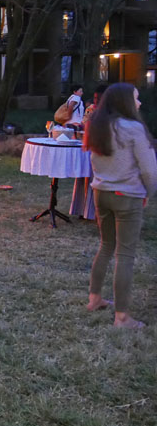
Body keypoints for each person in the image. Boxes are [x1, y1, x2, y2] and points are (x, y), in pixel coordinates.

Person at [84, 83, 157, 328]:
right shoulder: (134, 128)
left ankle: (94, 299)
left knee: (106, 246)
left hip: (101, 193)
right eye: (136, 98)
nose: (139, 103)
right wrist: (149, 192)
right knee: (125, 254)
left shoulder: (98, 125)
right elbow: (149, 169)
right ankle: (122, 317)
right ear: (125, 102)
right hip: (127, 196)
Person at [70, 83, 108, 220]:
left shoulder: (111, 114)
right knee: (84, 177)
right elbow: (84, 123)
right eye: (95, 98)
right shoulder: (91, 109)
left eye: (100, 98)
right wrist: (76, 126)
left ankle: (94, 212)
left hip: (100, 150)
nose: (96, 101)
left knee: (95, 180)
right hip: (89, 147)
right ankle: (82, 209)